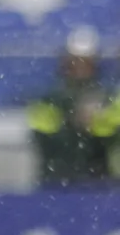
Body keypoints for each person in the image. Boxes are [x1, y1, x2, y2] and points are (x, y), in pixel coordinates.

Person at [29, 40, 117, 186]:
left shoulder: (108, 97)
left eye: (86, 62)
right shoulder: (48, 99)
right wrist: (73, 121)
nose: (80, 67)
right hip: (56, 181)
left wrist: (96, 123)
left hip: (98, 181)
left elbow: (112, 140)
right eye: (75, 62)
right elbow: (42, 139)